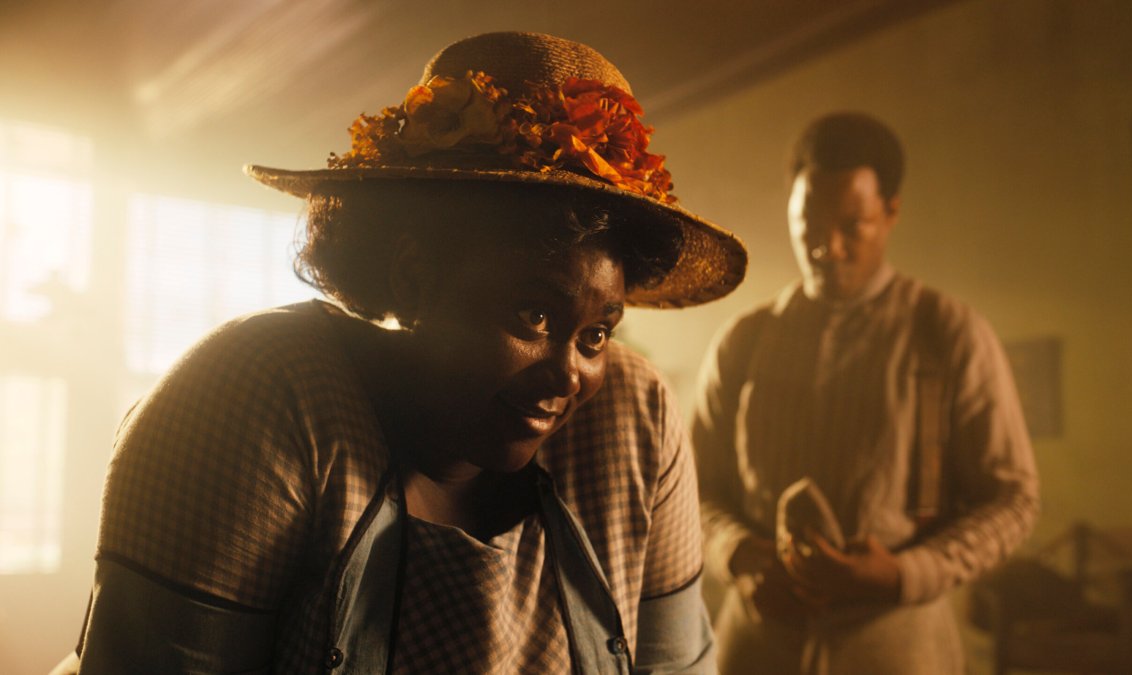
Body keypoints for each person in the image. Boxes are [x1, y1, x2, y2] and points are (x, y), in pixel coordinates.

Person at [57, 31, 747, 674]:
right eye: (531, 311)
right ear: (413, 277)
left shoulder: (634, 416)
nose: (569, 372)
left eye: (597, 333)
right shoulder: (258, 399)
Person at [692, 112, 1039, 673]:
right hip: (758, 648)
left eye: (851, 225)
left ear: (892, 212)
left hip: (901, 649)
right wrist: (742, 557)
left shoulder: (946, 332)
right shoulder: (744, 341)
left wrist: (907, 574)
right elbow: (694, 491)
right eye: (808, 227)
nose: (827, 248)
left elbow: (1012, 498)